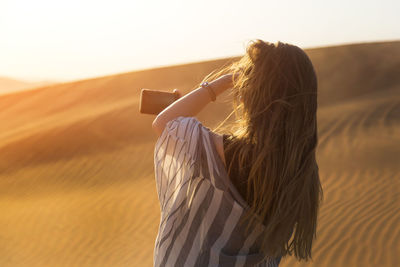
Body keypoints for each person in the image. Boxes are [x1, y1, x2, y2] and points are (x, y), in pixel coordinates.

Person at [152, 39, 323, 267]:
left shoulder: (224, 155)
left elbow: (164, 123)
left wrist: (219, 83)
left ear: (251, 92)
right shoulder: (303, 174)